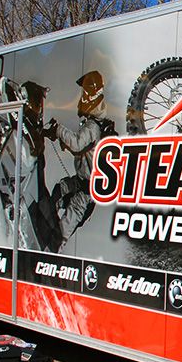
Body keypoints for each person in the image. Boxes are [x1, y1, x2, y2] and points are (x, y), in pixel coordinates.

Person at [45, 70, 116, 247]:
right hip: (81, 182)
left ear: (91, 95)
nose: (82, 96)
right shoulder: (96, 124)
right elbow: (83, 150)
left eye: (85, 92)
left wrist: (58, 130)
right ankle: (44, 227)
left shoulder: (93, 126)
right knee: (58, 191)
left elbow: (77, 143)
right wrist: (61, 140)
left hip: (86, 193)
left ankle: (47, 256)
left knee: (61, 234)